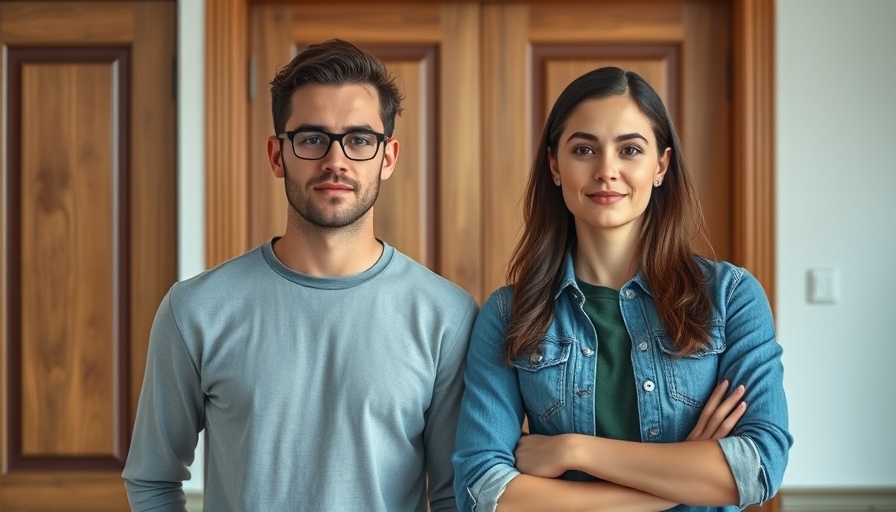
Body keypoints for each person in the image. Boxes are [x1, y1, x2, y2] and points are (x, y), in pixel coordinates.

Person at [123, 39, 477, 512]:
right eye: (312, 138)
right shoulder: (195, 311)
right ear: (277, 155)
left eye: (359, 140)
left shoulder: (447, 317)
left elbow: (456, 496)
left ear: (387, 157)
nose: (336, 161)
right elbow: (152, 481)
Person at [452, 67, 792, 511]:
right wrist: (675, 482)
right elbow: (484, 492)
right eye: (584, 149)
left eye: (630, 149)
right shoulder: (507, 313)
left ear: (660, 166)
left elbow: (757, 468)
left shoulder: (730, 298)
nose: (606, 170)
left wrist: (574, 451)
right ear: (555, 165)